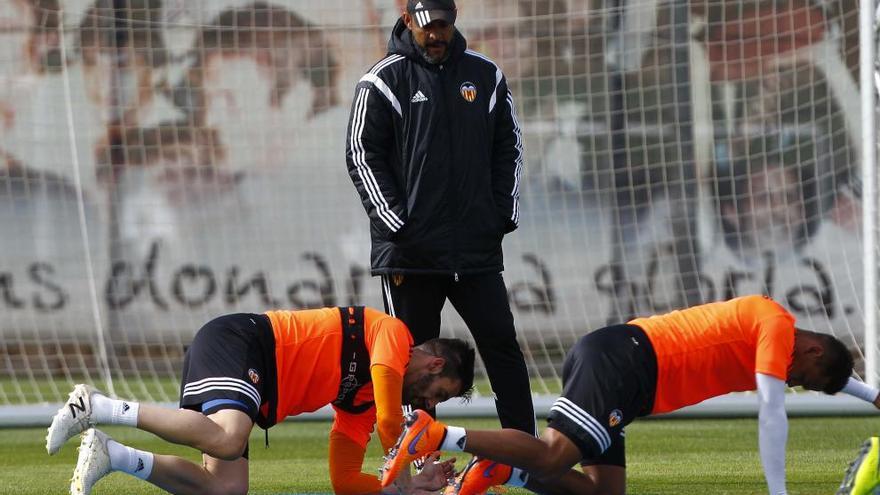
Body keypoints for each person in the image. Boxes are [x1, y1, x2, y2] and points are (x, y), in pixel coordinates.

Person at [380, 295, 880, 495]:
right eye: (803, 380)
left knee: (603, 493)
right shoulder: (777, 328)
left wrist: (872, 395)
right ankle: (441, 433)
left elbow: (818, 378)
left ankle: (506, 472)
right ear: (811, 350)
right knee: (555, 456)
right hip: (627, 361)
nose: (794, 385)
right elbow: (771, 411)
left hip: (627, 371)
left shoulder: (787, 342)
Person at [343, 0, 534, 439]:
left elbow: (510, 146)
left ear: (454, 20)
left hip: (475, 249)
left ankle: (526, 452)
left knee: (502, 345)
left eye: (444, 26)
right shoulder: (383, 79)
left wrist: (500, 214)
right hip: (411, 255)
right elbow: (360, 154)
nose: (437, 35)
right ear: (409, 21)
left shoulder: (486, 76)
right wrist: (398, 225)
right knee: (408, 360)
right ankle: (417, 457)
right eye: (428, 27)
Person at [45, 306, 475, 495]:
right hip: (244, 342)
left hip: (250, 376)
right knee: (230, 438)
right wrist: (406, 461)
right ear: (435, 365)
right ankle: (98, 407)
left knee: (227, 488)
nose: (425, 403)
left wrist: (401, 489)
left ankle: (113, 455)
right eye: (435, 395)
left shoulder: (361, 401)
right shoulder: (393, 335)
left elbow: (345, 483)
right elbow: (389, 422)